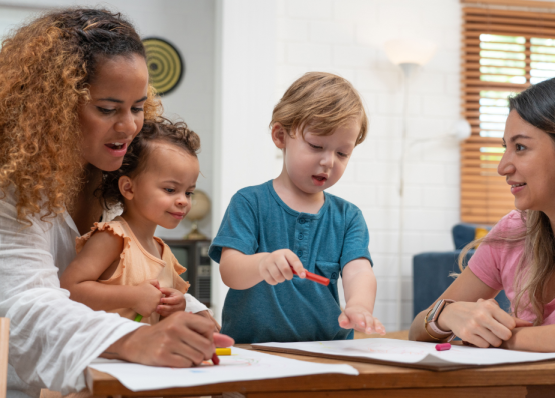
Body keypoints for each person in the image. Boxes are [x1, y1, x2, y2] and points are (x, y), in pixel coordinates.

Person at [0, 9, 232, 398]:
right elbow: (25, 306)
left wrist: (194, 315)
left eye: (137, 107)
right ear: (52, 109)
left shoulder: (115, 182)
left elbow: (138, 277)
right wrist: (135, 339)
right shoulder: (13, 188)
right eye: (107, 109)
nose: (128, 126)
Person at [209, 72, 385, 344]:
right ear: (280, 136)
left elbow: (359, 270)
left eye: (342, 153)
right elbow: (230, 271)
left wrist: (359, 306)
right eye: (316, 146)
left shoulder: (348, 217)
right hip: (252, 351)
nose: (328, 161)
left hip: (327, 351)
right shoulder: (249, 202)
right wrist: (262, 263)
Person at [409, 77, 555, 351]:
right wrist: (447, 316)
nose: (502, 167)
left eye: (520, 147)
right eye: (505, 147)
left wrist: (501, 338)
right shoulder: (514, 231)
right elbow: (418, 329)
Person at [60, 119, 220, 329]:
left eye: (188, 192)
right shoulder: (114, 237)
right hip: (104, 358)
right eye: (170, 190)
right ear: (128, 188)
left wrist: (176, 306)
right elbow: (69, 289)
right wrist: (132, 296)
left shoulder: (163, 252)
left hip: (141, 359)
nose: (183, 200)